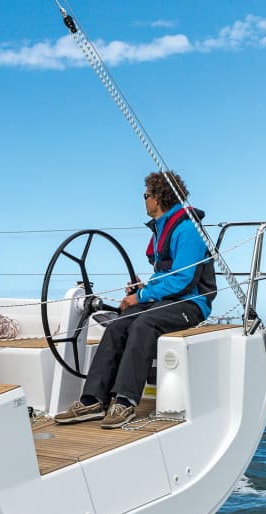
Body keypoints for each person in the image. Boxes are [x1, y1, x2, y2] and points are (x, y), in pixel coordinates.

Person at [55, 170, 215, 428]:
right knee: (118, 325)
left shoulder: (187, 230)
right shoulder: (162, 228)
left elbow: (183, 280)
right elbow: (165, 275)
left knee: (143, 325)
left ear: (158, 198)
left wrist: (140, 296)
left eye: (146, 195)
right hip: (167, 300)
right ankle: (93, 400)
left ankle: (126, 401)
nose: (144, 200)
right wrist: (144, 288)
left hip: (192, 304)